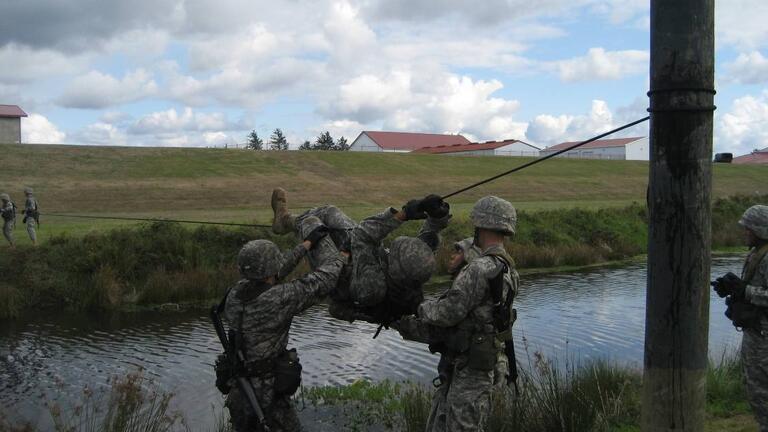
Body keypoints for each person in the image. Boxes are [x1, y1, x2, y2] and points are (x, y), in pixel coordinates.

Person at [393, 196, 520, 432]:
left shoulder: (479, 268)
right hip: (481, 360)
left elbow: (447, 313)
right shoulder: (509, 267)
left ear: (481, 224)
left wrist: (418, 306)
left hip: (471, 368)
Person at [220, 220, 348, 432]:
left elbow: (275, 272)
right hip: (265, 395)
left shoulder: (235, 293)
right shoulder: (278, 299)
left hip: (239, 389)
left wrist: (307, 244)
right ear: (268, 271)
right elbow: (321, 282)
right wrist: (341, 258)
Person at [270, 188, 450, 327]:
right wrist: (435, 213)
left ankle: (288, 221)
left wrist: (403, 214)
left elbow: (362, 236)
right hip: (364, 256)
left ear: (395, 262)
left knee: (312, 224)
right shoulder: (417, 264)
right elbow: (429, 233)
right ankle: (283, 221)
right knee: (330, 212)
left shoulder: (373, 286)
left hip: (339, 272)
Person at [712, 204, 768, 432]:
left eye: (748, 228)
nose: (744, 232)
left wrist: (745, 291)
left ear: (759, 230)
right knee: (754, 385)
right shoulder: (757, 253)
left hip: (764, 336)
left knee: (762, 388)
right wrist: (732, 289)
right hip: (756, 332)